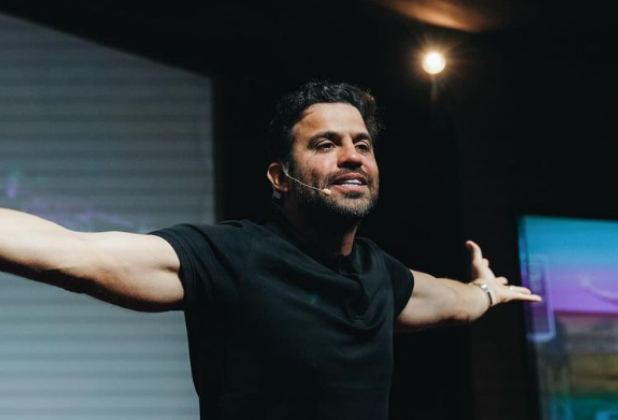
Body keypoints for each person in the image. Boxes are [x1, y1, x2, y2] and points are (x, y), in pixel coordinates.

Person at [0, 81, 541, 419]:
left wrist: (486, 292)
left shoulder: (380, 274)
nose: (352, 156)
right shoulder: (234, 256)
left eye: (362, 144)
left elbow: (446, 299)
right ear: (280, 177)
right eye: (326, 144)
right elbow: (73, 255)